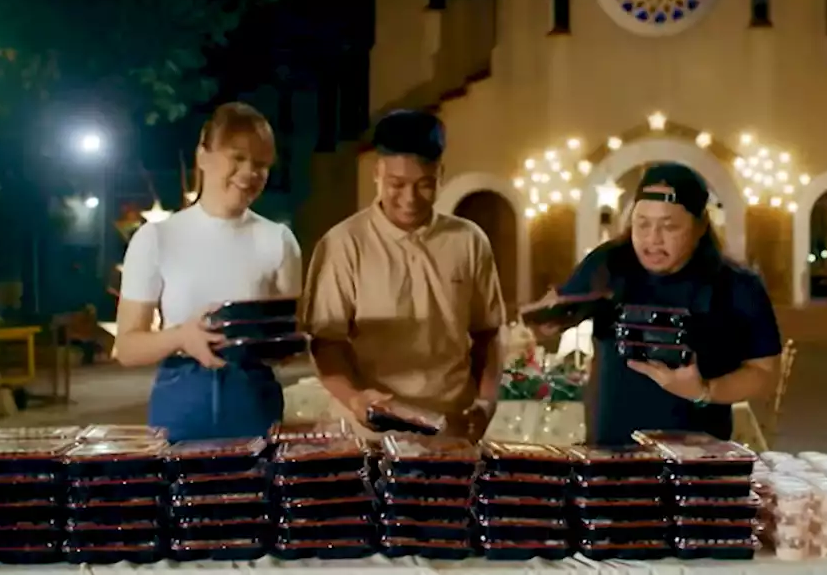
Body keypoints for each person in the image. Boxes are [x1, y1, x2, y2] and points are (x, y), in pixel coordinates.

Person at [532, 163, 782, 446]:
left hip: (698, 456)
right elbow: (555, 317)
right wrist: (547, 322)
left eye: (669, 226)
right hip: (611, 450)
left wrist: (704, 391)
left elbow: (764, 373)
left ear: (701, 226)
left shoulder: (737, 285)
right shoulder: (607, 265)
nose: (652, 239)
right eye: (642, 224)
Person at [302, 110, 506, 442]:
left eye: (425, 185)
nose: (410, 199)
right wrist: (355, 398)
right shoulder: (343, 244)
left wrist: (485, 403)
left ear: (441, 174)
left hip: (450, 431)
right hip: (368, 432)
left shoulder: (469, 240)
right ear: (377, 173)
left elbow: (489, 332)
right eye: (396, 184)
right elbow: (326, 341)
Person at [114, 102, 303, 442]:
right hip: (180, 403)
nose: (249, 173)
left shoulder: (278, 240)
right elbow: (127, 347)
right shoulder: (158, 237)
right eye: (238, 158)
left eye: (261, 164)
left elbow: (289, 340)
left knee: (254, 494)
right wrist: (181, 337)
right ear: (203, 155)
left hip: (253, 402)